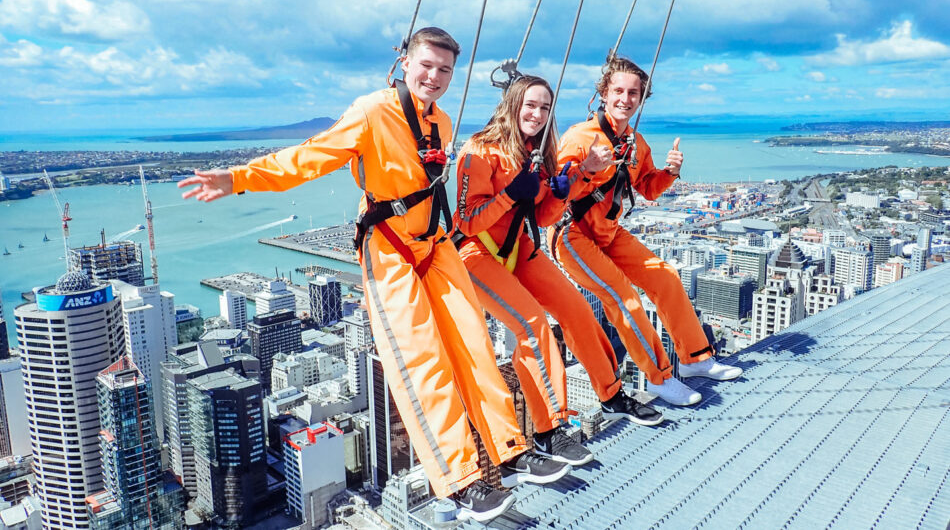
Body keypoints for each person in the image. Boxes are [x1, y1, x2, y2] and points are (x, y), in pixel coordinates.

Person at [178, 28, 569, 523]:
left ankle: (509, 448)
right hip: (388, 247)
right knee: (422, 361)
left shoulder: (442, 122)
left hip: (435, 243)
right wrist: (237, 179)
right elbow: (306, 160)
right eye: (426, 65)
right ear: (404, 61)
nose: (435, 77)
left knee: (475, 346)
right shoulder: (370, 111)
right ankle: (461, 478)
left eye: (445, 70)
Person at [454, 75, 665, 459]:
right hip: (474, 252)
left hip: (518, 246)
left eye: (544, 108)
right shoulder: (479, 151)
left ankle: (611, 393)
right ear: (512, 105)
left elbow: (547, 217)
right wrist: (508, 195)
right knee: (533, 324)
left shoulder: (539, 153)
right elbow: (468, 222)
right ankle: (548, 430)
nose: (536, 114)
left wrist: (569, 184)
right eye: (529, 105)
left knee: (578, 310)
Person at [549, 56, 742, 408]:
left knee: (665, 276)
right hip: (572, 234)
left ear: (641, 98)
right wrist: (589, 169)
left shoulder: (636, 142)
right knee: (624, 297)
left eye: (633, 93)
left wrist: (669, 172)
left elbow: (648, 188)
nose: (625, 99)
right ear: (603, 94)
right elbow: (555, 196)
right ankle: (659, 378)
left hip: (607, 230)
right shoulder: (580, 137)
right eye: (618, 91)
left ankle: (695, 358)